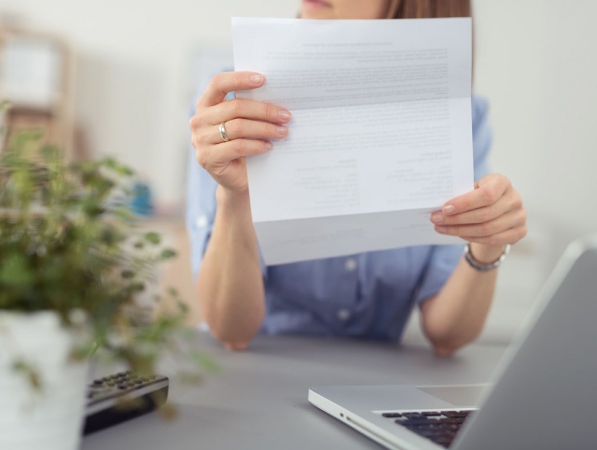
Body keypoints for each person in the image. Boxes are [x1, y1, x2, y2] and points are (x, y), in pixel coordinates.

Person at [186, 0, 527, 356]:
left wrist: (488, 243)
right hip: (255, 371)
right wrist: (233, 195)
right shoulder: (232, 111)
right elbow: (232, 331)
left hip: (374, 386)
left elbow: (448, 335)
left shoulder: (462, 120)